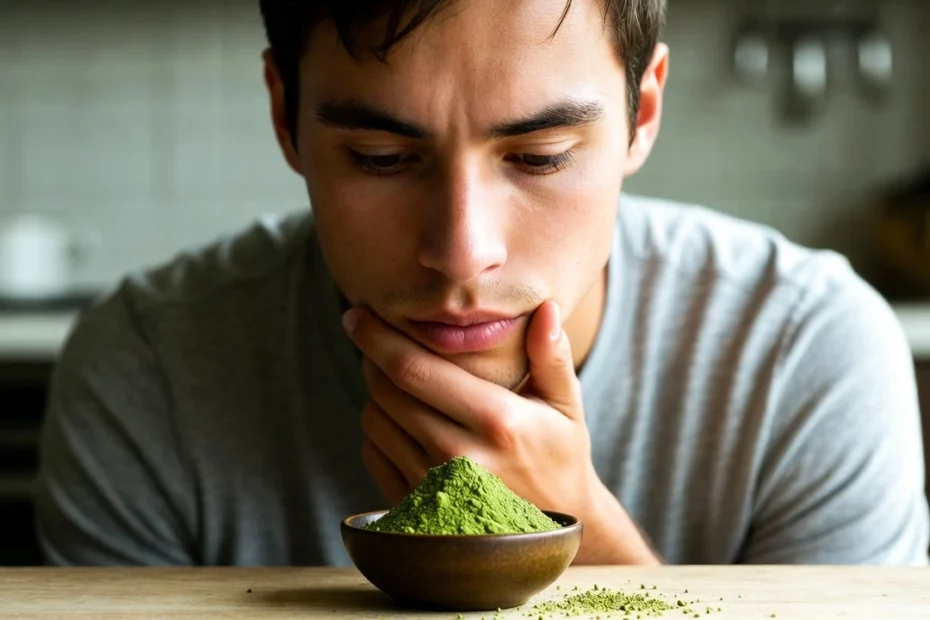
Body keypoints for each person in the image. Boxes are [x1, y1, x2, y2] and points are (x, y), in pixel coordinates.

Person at [33, 0, 930, 567]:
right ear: (285, 117)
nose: (463, 254)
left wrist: (581, 540)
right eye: (381, 158)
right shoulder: (147, 368)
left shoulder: (807, 351)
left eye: (539, 157)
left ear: (641, 114)